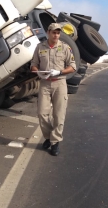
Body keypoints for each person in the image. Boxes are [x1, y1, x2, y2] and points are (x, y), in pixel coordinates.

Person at [30, 23, 76, 156]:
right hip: (45, 83)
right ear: (48, 32)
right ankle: (49, 137)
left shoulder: (65, 47)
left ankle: (55, 142)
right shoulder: (40, 47)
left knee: (59, 115)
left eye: (58, 33)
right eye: (54, 32)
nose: (56, 35)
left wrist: (59, 72)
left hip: (60, 83)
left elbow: (72, 66)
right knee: (42, 113)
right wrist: (37, 72)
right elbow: (33, 64)